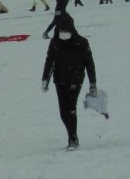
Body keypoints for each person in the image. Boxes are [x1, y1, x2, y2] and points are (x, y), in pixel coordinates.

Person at [41, 14, 97, 150]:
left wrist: (92, 83)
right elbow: (49, 60)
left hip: (75, 79)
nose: (63, 33)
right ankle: (72, 134)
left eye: (65, 31)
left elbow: (89, 63)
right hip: (59, 79)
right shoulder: (55, 42)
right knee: (63, 111)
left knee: (70, 108)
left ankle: (73, 139)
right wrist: (45, 79)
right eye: (60, 31)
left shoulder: (82, 42)